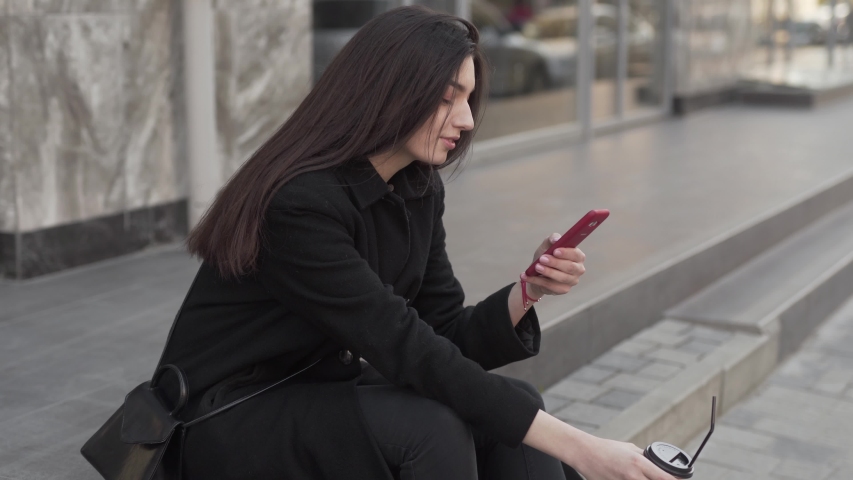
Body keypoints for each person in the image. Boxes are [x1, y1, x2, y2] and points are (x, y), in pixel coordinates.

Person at [159, 5, 676, 480]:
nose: (467, 119)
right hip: (226, 417)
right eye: (447, 96)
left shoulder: (415, 188)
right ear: (387, 88)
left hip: (315, 391)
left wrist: (529, 290)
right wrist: (580, 447)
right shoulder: (299, 205)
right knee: (429, 426)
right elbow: (407, 348)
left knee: (515, 402)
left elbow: (444, 332)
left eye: (469, 98)